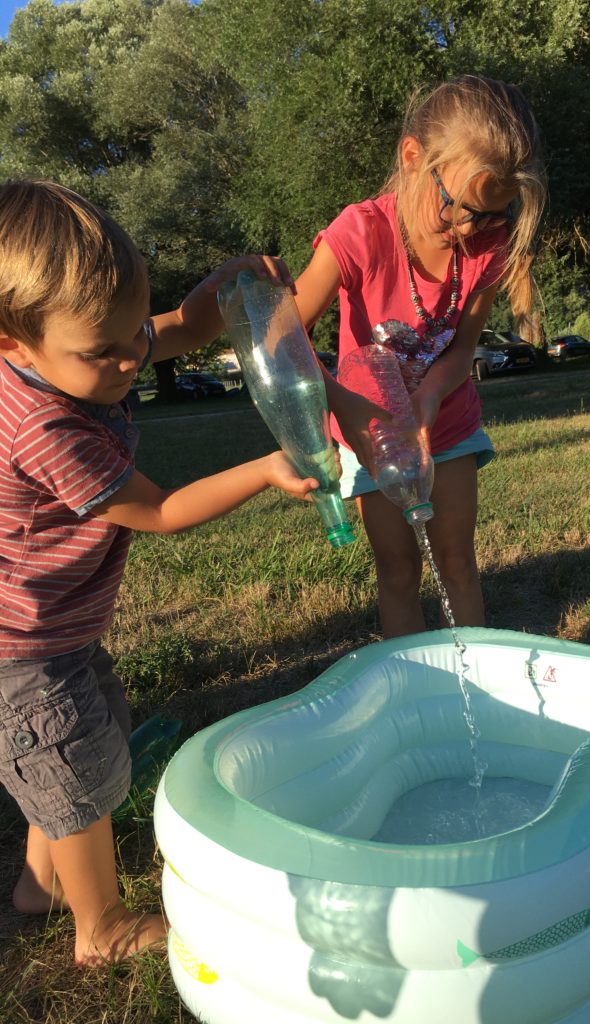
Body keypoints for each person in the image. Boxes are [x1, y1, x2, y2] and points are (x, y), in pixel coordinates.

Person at [0, 178, 321, 967]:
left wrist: (218, 292)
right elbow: (160, 509)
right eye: (101, 352)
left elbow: (174, 329)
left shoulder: (69, 350)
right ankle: (101, 928)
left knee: (79, 751)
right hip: (21, 650)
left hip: (55, 631)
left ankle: (41, 888)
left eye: (131, 335)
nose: (128, 361)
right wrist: (264, 470)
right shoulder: (42, 427)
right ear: (14, 345)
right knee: (72, 767)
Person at [294, 75, 546, 638]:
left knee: (457, 563)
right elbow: (283, 334)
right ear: (413, 158)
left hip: (447, 428)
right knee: (399, 571)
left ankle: (471, 677)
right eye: (459, 207)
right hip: (372, 441)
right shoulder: (359, 234)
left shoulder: (488, 245)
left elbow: (462, 348)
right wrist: (343, 407)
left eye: (492, 214)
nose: (470, 228)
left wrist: (429, 397)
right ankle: (409, 682)